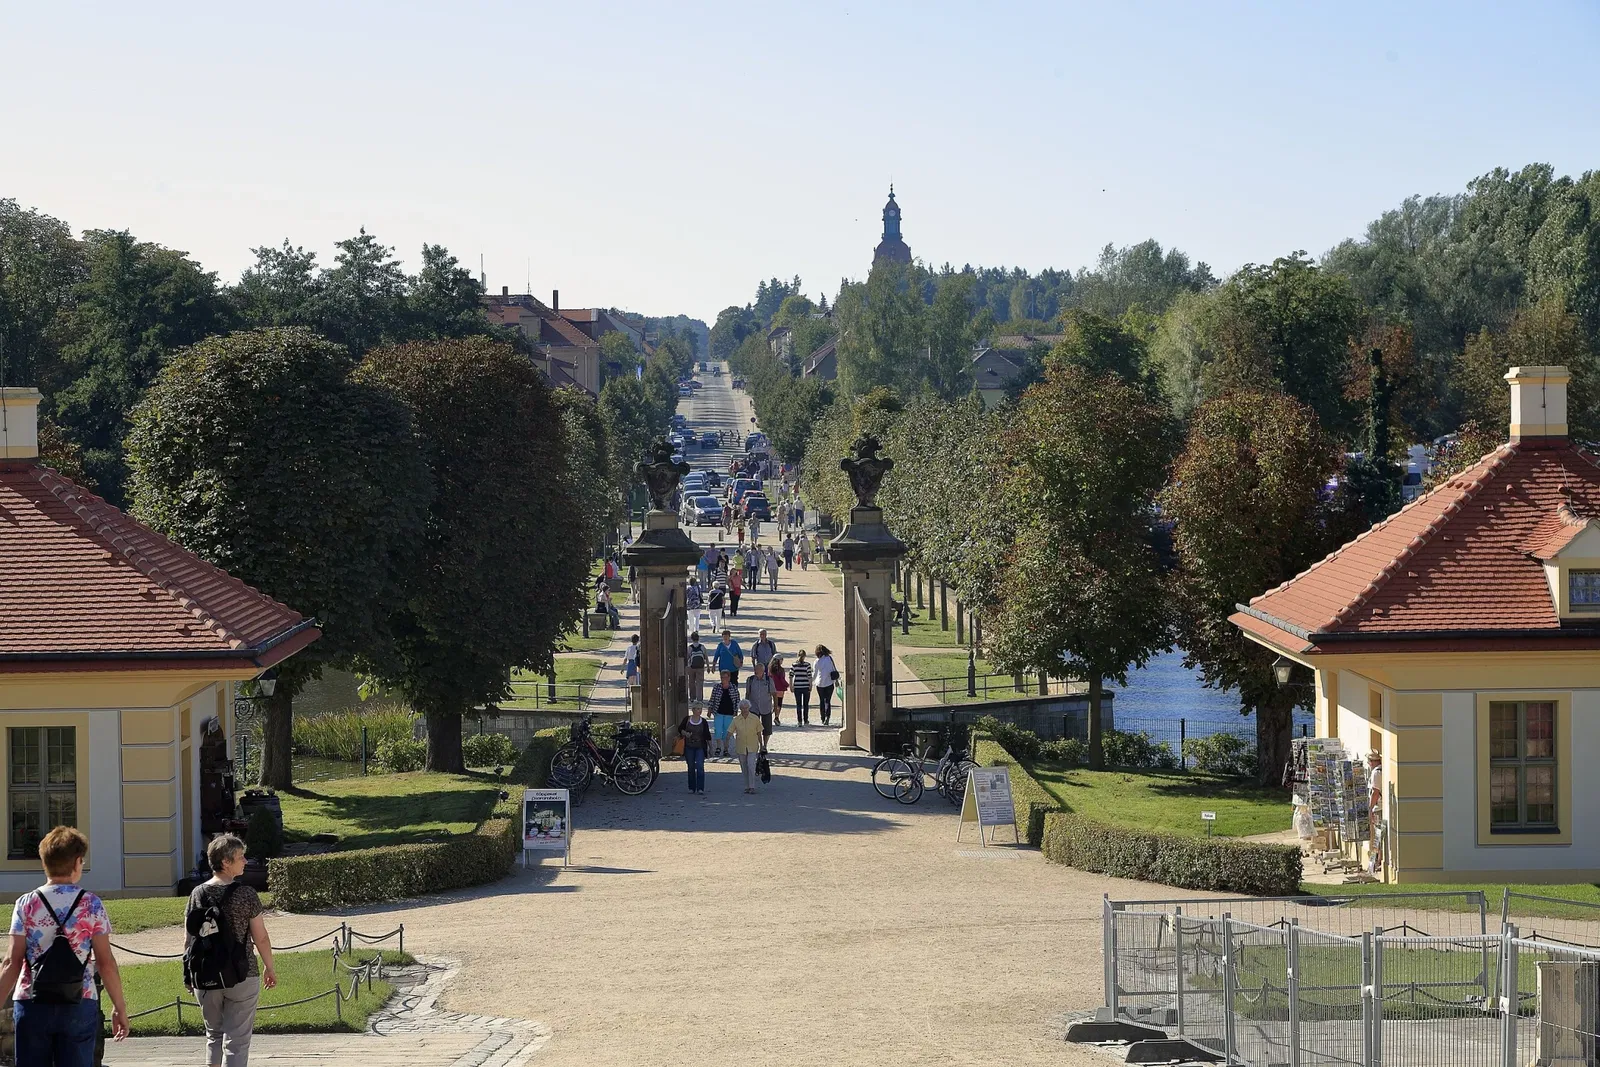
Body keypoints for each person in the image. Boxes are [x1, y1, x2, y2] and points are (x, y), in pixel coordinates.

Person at [0, 826, 130, 1065]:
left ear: (44, 862)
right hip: (80, 998)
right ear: (78, 862)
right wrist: (119, 1007)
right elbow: (105, 962)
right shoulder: (91, 904)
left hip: (31, 999)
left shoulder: (26, 904)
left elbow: (11, 962)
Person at [187, 833, 277, 1067]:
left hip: (205, 974)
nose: (245, 861)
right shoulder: (246, 894)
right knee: (237, 1041)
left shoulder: (197, 894)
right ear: (226, 862)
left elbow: (189, 938)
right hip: (242, 973)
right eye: (240, 857)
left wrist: (188, 973)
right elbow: (262, 938)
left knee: (213, 1036)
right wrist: (270, 967)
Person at [730, 699, 764, 794]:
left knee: (751, 765)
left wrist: (762, 745)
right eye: (742, 708)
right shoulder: (736, 720)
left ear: (749, 708)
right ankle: (747, 786)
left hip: (752, 745)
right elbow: (730, 731)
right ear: (740, 708)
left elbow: (759, 732)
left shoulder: (755, 718)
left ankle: (752, 786)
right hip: (741, 746)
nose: (745, 710)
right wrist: (726, 742)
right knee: (743, 767)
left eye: (746, 708)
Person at [678, 705, 712, 793]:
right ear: (693, 710)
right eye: (697, 709)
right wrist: (685, 733)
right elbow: (680, 728)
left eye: (700, 709)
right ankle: (691, 787)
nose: (699, 711)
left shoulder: (703, 721)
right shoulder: (687, 719)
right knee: (691, 767)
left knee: (700, 766)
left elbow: (707, 735)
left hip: (700, 746)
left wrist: (711, 748)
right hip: (689, 746)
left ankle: (700, 788)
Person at [707, 671, 739, 758]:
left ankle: (726, 748)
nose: (723, 679)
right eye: (722, 677)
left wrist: (736, 710)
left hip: (729, 713)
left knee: (727, 732)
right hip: (718, 712)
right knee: (717, 730)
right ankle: (718, 747)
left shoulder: (733, 687)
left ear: (729, 678)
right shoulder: (717, 687)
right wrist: (709, 710)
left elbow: (737, 700)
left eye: (725, 677)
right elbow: (712, 699)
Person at [745, 662, 774, 749]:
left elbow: (774, 694)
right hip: (753, 708)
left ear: (762, 671)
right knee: (753, 729)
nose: (755, 672)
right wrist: (746, 707)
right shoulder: (750, 680)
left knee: (767, 729)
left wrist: (775, 707)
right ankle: (758, 744)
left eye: (757, 670)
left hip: (766, 707)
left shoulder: (769, 680)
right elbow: (747, 694)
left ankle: (765, 745)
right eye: (755, 670)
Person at [813, 644, 839, 726]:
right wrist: (836, 680)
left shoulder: (817, 661)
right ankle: (828, 717)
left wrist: (811, 681)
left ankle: (822, 717)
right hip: (829, 682)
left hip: (820, 683)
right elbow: (833, 669)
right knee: (828, 700)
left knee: (821, 701)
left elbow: (815, 673)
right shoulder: (829, 659)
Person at [789, 650, 814, 725]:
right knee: (806, 704)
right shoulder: (807, 665)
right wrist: (810, 685)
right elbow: (809, 676)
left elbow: (790, 676)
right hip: (805, 686)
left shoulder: (794, 665)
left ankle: (799, 721)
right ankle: (806, 720)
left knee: (798, 704)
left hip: (797, 686)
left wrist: (791, 686)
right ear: (805, 656)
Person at [687, 632, 708, 702]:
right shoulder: (702, 647)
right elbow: (706, 657)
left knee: (691, 683)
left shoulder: (690, 648)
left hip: (691, 667)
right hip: (700, 668)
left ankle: (692, 697)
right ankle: (699, 699)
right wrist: (708, 667)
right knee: (699, 683)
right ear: (698, 638)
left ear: (691, 639)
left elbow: (687, 657)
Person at [769, 654, 789, 726]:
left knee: (773, 702)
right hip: (780, 688)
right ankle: (776, 717)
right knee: (779, 704)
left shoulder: (770, 669)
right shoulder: (781, 670)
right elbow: (782, 680)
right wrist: (787, 685)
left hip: (772, 688)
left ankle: (770, 716)